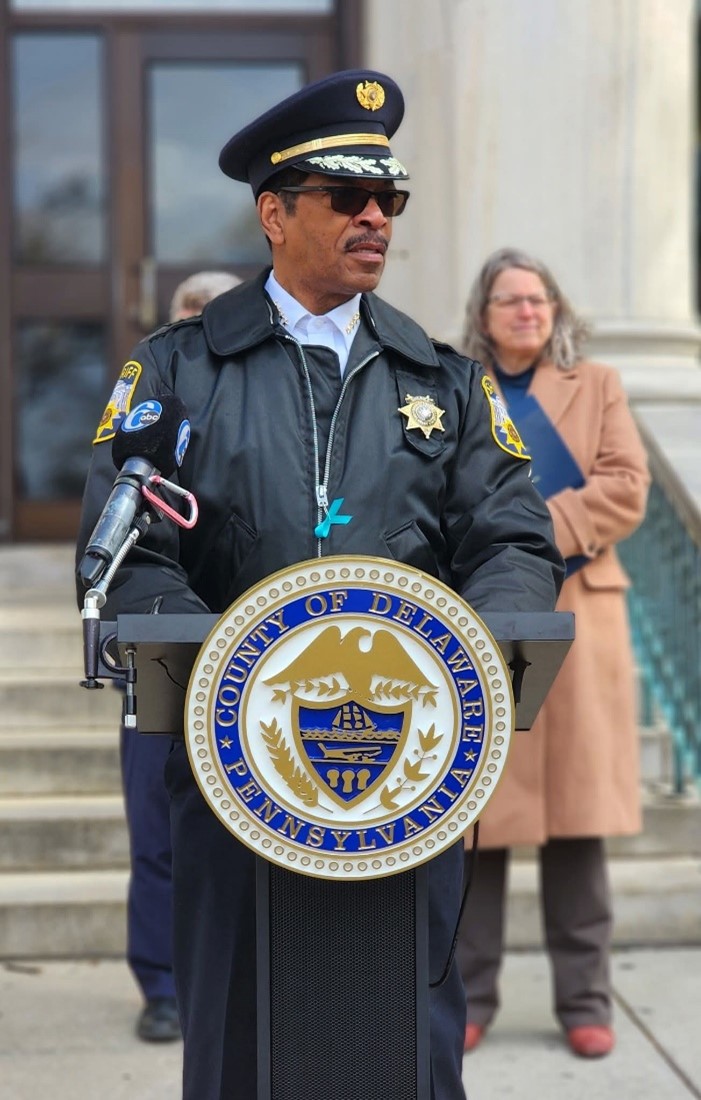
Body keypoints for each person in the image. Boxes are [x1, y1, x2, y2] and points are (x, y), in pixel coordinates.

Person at [76, 72, 564, 1100]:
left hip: (402, 770)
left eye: (389, 199)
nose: (374, 216)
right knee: (238, 1035)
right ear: (274, 212)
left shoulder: (443, 380)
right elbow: (128, 550)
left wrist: (475, 644)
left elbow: (511, 535)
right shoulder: (177, 372)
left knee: (404, 1037)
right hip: (232, 769)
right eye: (347, 196)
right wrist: (235, 664)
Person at [456, 247, 650, 1059]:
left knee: (576, 823)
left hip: (579, 618)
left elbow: (625, 486)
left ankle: (584, 1000)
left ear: (555, 309)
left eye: (537, 300)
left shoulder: (597, 384)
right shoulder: (453, 390)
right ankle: (466, 997)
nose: (526, 312)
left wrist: (525, 533)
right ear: (485, 313)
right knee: (476, 825)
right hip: (485, 618)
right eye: (510, 301)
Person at [120, 269, 242, 1043]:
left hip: (254, 655)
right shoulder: (145, 411)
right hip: (167, 657)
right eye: (186, 317)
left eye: (213, 316)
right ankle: (162, 984)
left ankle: (230, 973)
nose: (199, 331)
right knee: (158, 831)